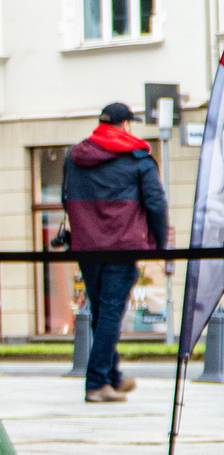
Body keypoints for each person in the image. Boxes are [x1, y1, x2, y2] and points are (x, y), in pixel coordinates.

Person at [61, 101, 169, 403]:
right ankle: (96, 383)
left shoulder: (75, 156)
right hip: (122, 247)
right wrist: (160, 243)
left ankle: (113, 376)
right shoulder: (138, 159)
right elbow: (156, 204)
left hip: (87, 247)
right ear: (126, 125)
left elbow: (64, 198)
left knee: (101, 312)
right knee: (109, 313)